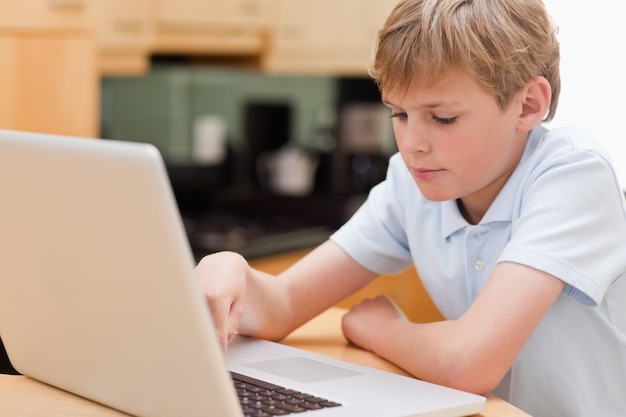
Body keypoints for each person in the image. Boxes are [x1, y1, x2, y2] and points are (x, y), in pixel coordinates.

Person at [195, 0, 626, 416]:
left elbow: (468, 363)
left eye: (442, 118)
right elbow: (285, 304)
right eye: (399, 114)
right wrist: (233, 270)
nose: (411, 144)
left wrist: (385, 331)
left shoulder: (573, 175)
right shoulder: (412, 181)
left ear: (528, 104)